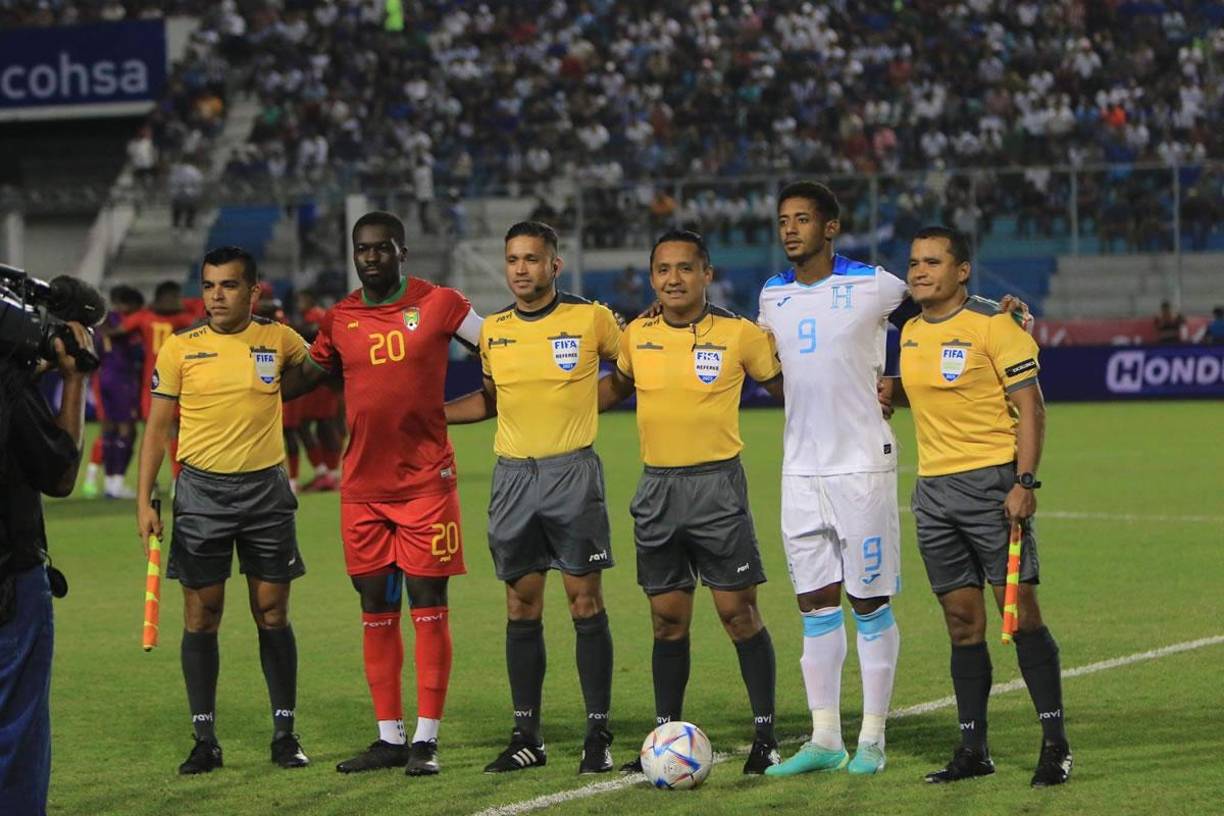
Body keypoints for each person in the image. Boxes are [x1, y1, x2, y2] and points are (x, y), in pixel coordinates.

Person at [282, 211, 484, 776]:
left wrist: (482, 400)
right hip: (363, 489)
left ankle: (426, 739)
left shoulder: (441, 303)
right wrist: (256, 356)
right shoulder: (340, 318)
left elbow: (499, 344)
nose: (370, 257)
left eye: (381, 248)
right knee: (375, 607)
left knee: (428, 603)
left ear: (401, 251)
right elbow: (302, 378)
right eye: (362, 249)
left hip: (426, 485)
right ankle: (389, 737)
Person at [600, 229, 786, 775]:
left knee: (738, 613)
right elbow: (615, 388)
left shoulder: (740, 334)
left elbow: (790, 391)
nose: (674, 279)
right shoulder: (636, 334)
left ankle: (765, 737)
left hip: (716, 487)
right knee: (666, 621)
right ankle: (664, 736)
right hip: (656, 488)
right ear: (651, 277)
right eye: (663, 270)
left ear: (707, 274)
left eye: (685, 268)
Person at [898, 226, 1072, 788]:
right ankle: (973, 750)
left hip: (992, 487)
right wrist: (890, 392)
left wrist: (1024, 482)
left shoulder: (995, 323)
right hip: (932, 493)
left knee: (1019, 617)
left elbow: (1032, 407)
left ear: (962, 270)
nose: (920, 271)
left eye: (933, 262)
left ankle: (1055, 745)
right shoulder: (910, 330)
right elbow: (929, 391)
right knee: (961, 622)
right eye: (914, 262)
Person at [444, 221, 620, 774]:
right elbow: (491, 400)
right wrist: (429, 415)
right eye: (513, 260)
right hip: (513, 479)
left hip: (572, 474)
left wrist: (590, 403)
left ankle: (597, 733)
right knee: (521, 605)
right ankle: (527, 736)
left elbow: (633, 369)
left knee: (584, 602)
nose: (521, 269)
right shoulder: (494, 331)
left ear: (554, 265)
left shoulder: (590, 319)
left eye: (532, 259)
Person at [135, 246, 312, 775]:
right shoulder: (180, 349)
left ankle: (285, 734)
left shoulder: (279, 339)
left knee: (273, 612)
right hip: (201, 495)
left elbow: (322, 369)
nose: (216, 295)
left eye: (229, 285)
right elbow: (156, 431)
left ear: (253, 290)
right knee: (202, 615)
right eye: (209, 285)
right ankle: (205, 740)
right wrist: (144, 501)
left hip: (266, 492)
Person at [757, 181, 908, 777]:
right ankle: (825, 738)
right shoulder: (772, 294)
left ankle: (872, 737)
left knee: (867, 600)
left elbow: (935, 303)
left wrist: (901, 380)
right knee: (814, 604)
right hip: (800, 469)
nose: (790, 229)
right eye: (783, 220)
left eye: (802, 219)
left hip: (861, 465)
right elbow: (778, 370)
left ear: (830, 227)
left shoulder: (873, 284)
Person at [0, 321, 90, 815]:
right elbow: (59, 474)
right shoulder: (8, 386)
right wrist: (73, 379)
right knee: (16, 729)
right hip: (9, 581)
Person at [114, 280, 197, 483]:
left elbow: (118, 330)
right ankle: (172, 480)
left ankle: (164, 480)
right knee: (167, 433)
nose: (179, 301)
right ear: (164, 298)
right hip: (163, 384)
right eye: (175, 297)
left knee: (160, 434)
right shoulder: (184, 320)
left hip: (161, 384)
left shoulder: (145, 317)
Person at [82, 285, 145, 500]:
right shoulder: (127, 322)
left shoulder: (103, 320)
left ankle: (105, 482)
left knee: (108, 430)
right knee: (127, 430)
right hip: (121, 379)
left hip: (103, 377)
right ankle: (115, 483)